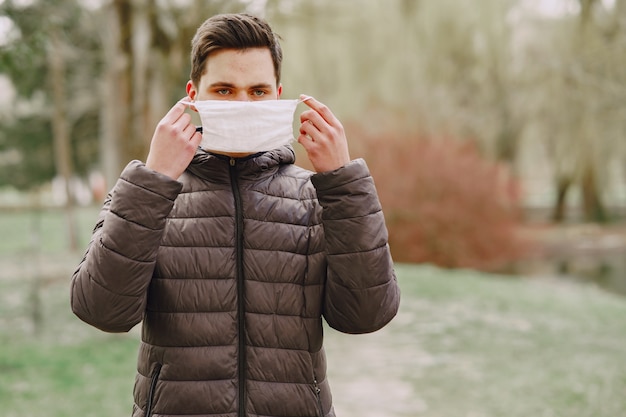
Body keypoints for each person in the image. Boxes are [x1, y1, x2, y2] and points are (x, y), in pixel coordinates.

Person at [71, 12, 400, 417]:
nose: (243, 104)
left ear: (278, 96)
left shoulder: (318, 197)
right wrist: (154, 180)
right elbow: (100, 310)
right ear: (193, 95)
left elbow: (366, 316)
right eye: (224, 91)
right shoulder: (149, 193)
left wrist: (343, 182)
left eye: (258, 92)